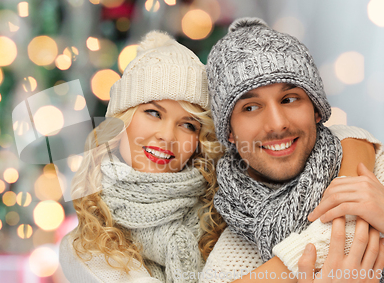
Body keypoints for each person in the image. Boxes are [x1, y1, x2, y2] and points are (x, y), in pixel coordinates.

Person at [59, 30, 380, 283]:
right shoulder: (87, 247)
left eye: (188, 123)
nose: (168, 136)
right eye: (153, 113)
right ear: (119, 121)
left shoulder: (225, 200)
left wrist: (355, 149)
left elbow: (335, 139)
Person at [201, 17, 384, 283]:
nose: (277, 124)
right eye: (250, 107)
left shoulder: (373, 172)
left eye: (289, 99)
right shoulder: (225, 264)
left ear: (316, 109)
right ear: (229, 131)